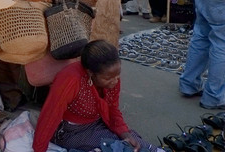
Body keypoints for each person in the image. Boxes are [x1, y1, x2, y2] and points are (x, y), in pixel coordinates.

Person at [32, 40, 161, 152]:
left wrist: (124, 133)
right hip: (70, 131)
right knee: (115, 146)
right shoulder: (70, 79)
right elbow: (50, 116)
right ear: (90, 73)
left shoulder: (112, 78)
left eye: (117, 75)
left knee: (135, 143)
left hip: (98, 123)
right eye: (108, 78)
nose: (115, 81)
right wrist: (39, 149)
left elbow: (112, 110)